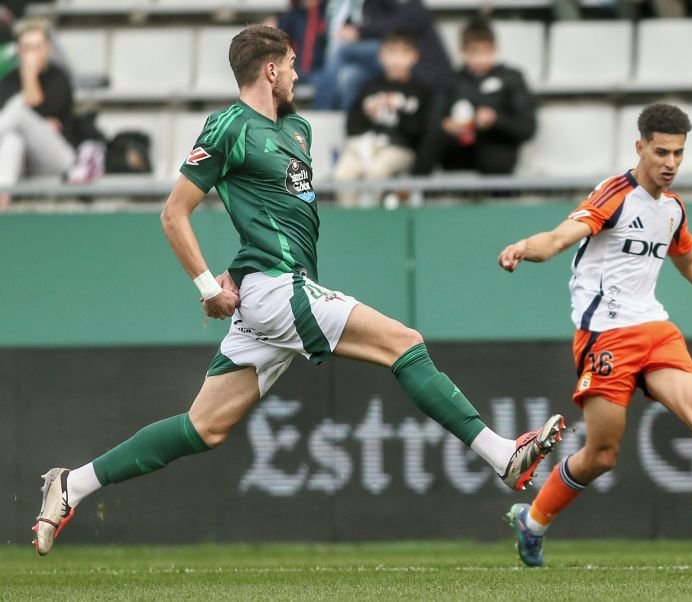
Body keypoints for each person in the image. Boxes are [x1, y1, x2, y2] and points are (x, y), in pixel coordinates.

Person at [32, 24, 566, 556]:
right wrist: (206, 286)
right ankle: (502, 455)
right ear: (270, 69)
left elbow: (271, 223)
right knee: (404, 342)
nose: (295, 73)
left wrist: (236, 273)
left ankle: (71, 483)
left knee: (203, 428)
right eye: (289, 64)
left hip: (271, 287)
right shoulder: (228, 127)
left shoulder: (298, 131)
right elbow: (174, 214)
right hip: (274, 292)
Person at [498, 103, 692, 568]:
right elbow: (558, 239)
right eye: (662, 152)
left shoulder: (672, 210)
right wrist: (522, 248)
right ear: (640, 147)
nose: (670, 163)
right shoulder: (614, 194)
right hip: (605, 334)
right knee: (602, 455)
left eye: (679, 154)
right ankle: (532, 522)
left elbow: (691, 262)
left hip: (654, 327)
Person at [413, 18, 535, 176]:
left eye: (485, 51)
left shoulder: (512, 78)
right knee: (434, 136)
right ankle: (413, 193)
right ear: (463, 51)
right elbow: (433, 120)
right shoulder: (450, 80)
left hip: (496, 148)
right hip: (458, 151)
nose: (480, 58)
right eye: (474, 52)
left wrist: (495, 119)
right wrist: (448, 125)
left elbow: (527, 128)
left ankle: (500, 199)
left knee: (496, 158)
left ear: (495, 49)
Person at [333, 31, 430, 208]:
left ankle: (371, 224)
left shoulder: (421, 90)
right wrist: (367, 113)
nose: (397, 60)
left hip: (398, 148)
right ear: (381, 56)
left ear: (414, 57)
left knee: (376, 171)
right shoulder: (370, 85)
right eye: (391, 52)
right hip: (363, 146)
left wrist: (399, 110)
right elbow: (350, 125)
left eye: (403, 53)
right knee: (342, 175)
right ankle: (349, 223)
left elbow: (420, 132)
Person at [312, 0, 450, 112]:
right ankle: (347, 127)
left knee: (342, 50)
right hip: (384, 65)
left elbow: (400, 24)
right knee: (349, 75)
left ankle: (319, 114)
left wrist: (359, 31)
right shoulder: (365, 5)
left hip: (420, 68)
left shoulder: (411, 6)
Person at [0, 17, 75, 209]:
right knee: (12, 141)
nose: (32, 54)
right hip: (21, 162)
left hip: (59, 159)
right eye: (27, 48)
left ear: (48, 47)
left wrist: (29, 73)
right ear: (18, 50)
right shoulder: (8, 81)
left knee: (17, 113)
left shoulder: (59, 77)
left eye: (37, 47)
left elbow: (36, 105)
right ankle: (2, 204)